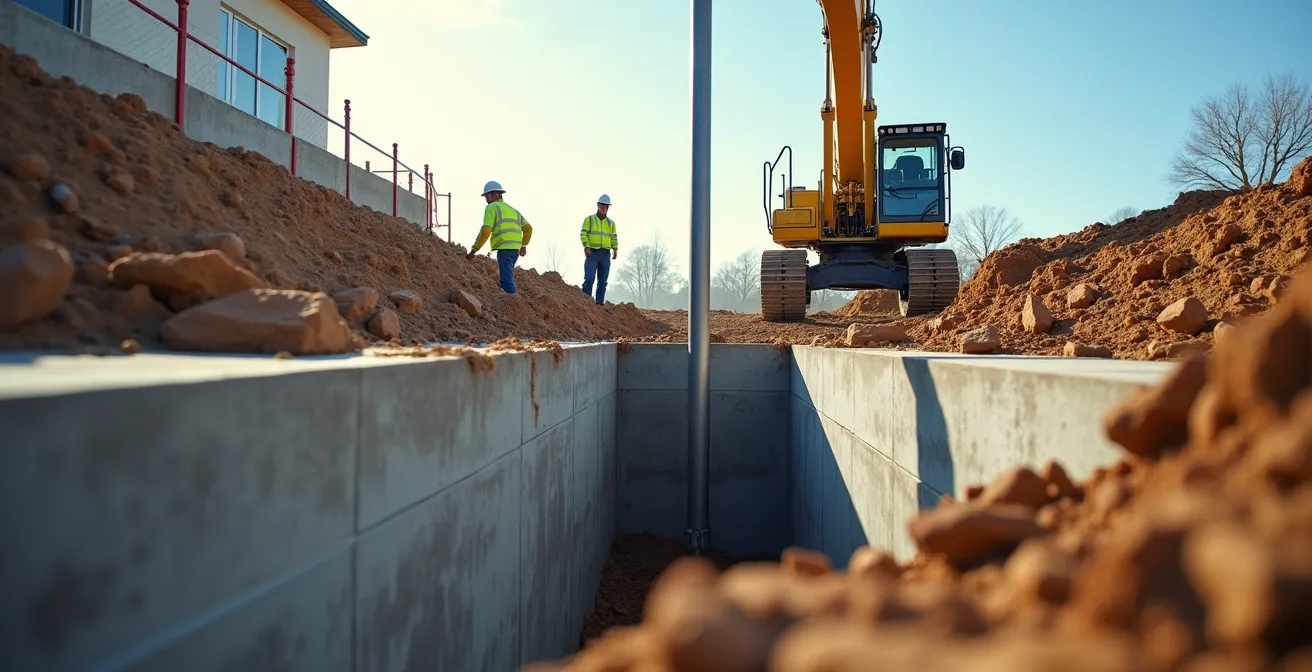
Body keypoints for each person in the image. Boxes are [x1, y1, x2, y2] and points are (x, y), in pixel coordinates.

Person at [465, 180, 532, 294]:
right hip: (515, 251)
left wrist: (474, 250)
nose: (486, 200)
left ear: (494, 194)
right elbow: (528, 228)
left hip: (504, 249)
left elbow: (486, 231)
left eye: (486, 196)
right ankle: (511, 303)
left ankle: (512, 306)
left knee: (506, 283)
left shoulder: (492, 207)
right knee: (507, 278)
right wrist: (523, 246)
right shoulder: (514, 210)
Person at [580, 193, 618, 305]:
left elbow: (613, 237)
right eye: (602, 205)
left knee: (602, 282)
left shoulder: (611, 223)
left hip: (605, 254)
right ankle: (585, 303)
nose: (604, 208)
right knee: (589, 279)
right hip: (592, 253)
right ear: (598, 205)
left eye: (606, 206)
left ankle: (599, 305)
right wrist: (586, 246)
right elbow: (583, 234)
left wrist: (615, 249)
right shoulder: (589, 220)